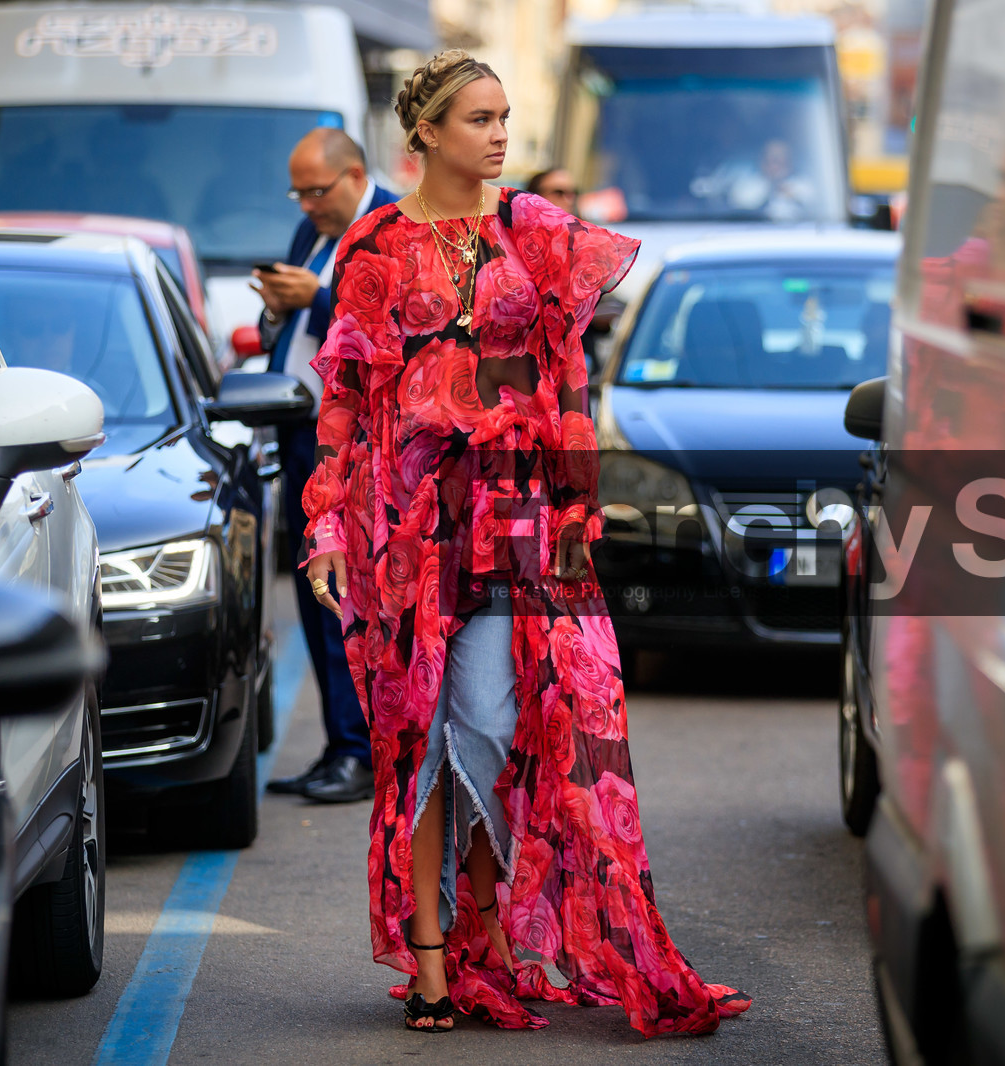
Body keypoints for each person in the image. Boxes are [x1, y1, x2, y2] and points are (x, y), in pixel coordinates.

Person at [299, 49, 751, 1036]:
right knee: (414, 739)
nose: (500, 135)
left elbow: (571, 372)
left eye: (505, 116)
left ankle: (485, 928)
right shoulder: (373, 242)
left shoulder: (535, 232)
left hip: (514, 517)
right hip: (402, 522)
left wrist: (576, 507)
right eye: (478, 118)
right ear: (423, 134)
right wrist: (326, 525)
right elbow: (343, 397)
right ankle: (431, 959)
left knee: (499, 726)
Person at [259, 127, 397, 804]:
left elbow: (390, 328)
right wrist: (277, 312)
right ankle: (338, 745)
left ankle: (360, 750)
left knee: (344, 598)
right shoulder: (308, 233)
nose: (306, 204)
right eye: (299, 192)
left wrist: (312, 296)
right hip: (300, 436)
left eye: (316, 191)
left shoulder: (388, 227)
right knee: (314, 599)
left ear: (352, 176)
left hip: (354, 449)